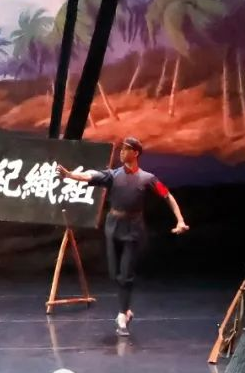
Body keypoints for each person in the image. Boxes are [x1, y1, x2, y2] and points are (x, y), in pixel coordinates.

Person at [57, 136, 189, 337]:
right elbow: (91, 175)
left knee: (126, 274)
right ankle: (126, 310)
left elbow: (167, 195)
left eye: (126, 149)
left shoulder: (147, 178)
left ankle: (122, 315)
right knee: (115, 274)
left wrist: (180, 220)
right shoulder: (113, 175)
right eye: (121, 149)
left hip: (133, 230)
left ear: (135, 153)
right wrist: (70, 175)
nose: (122, 152)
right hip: (113, 228)